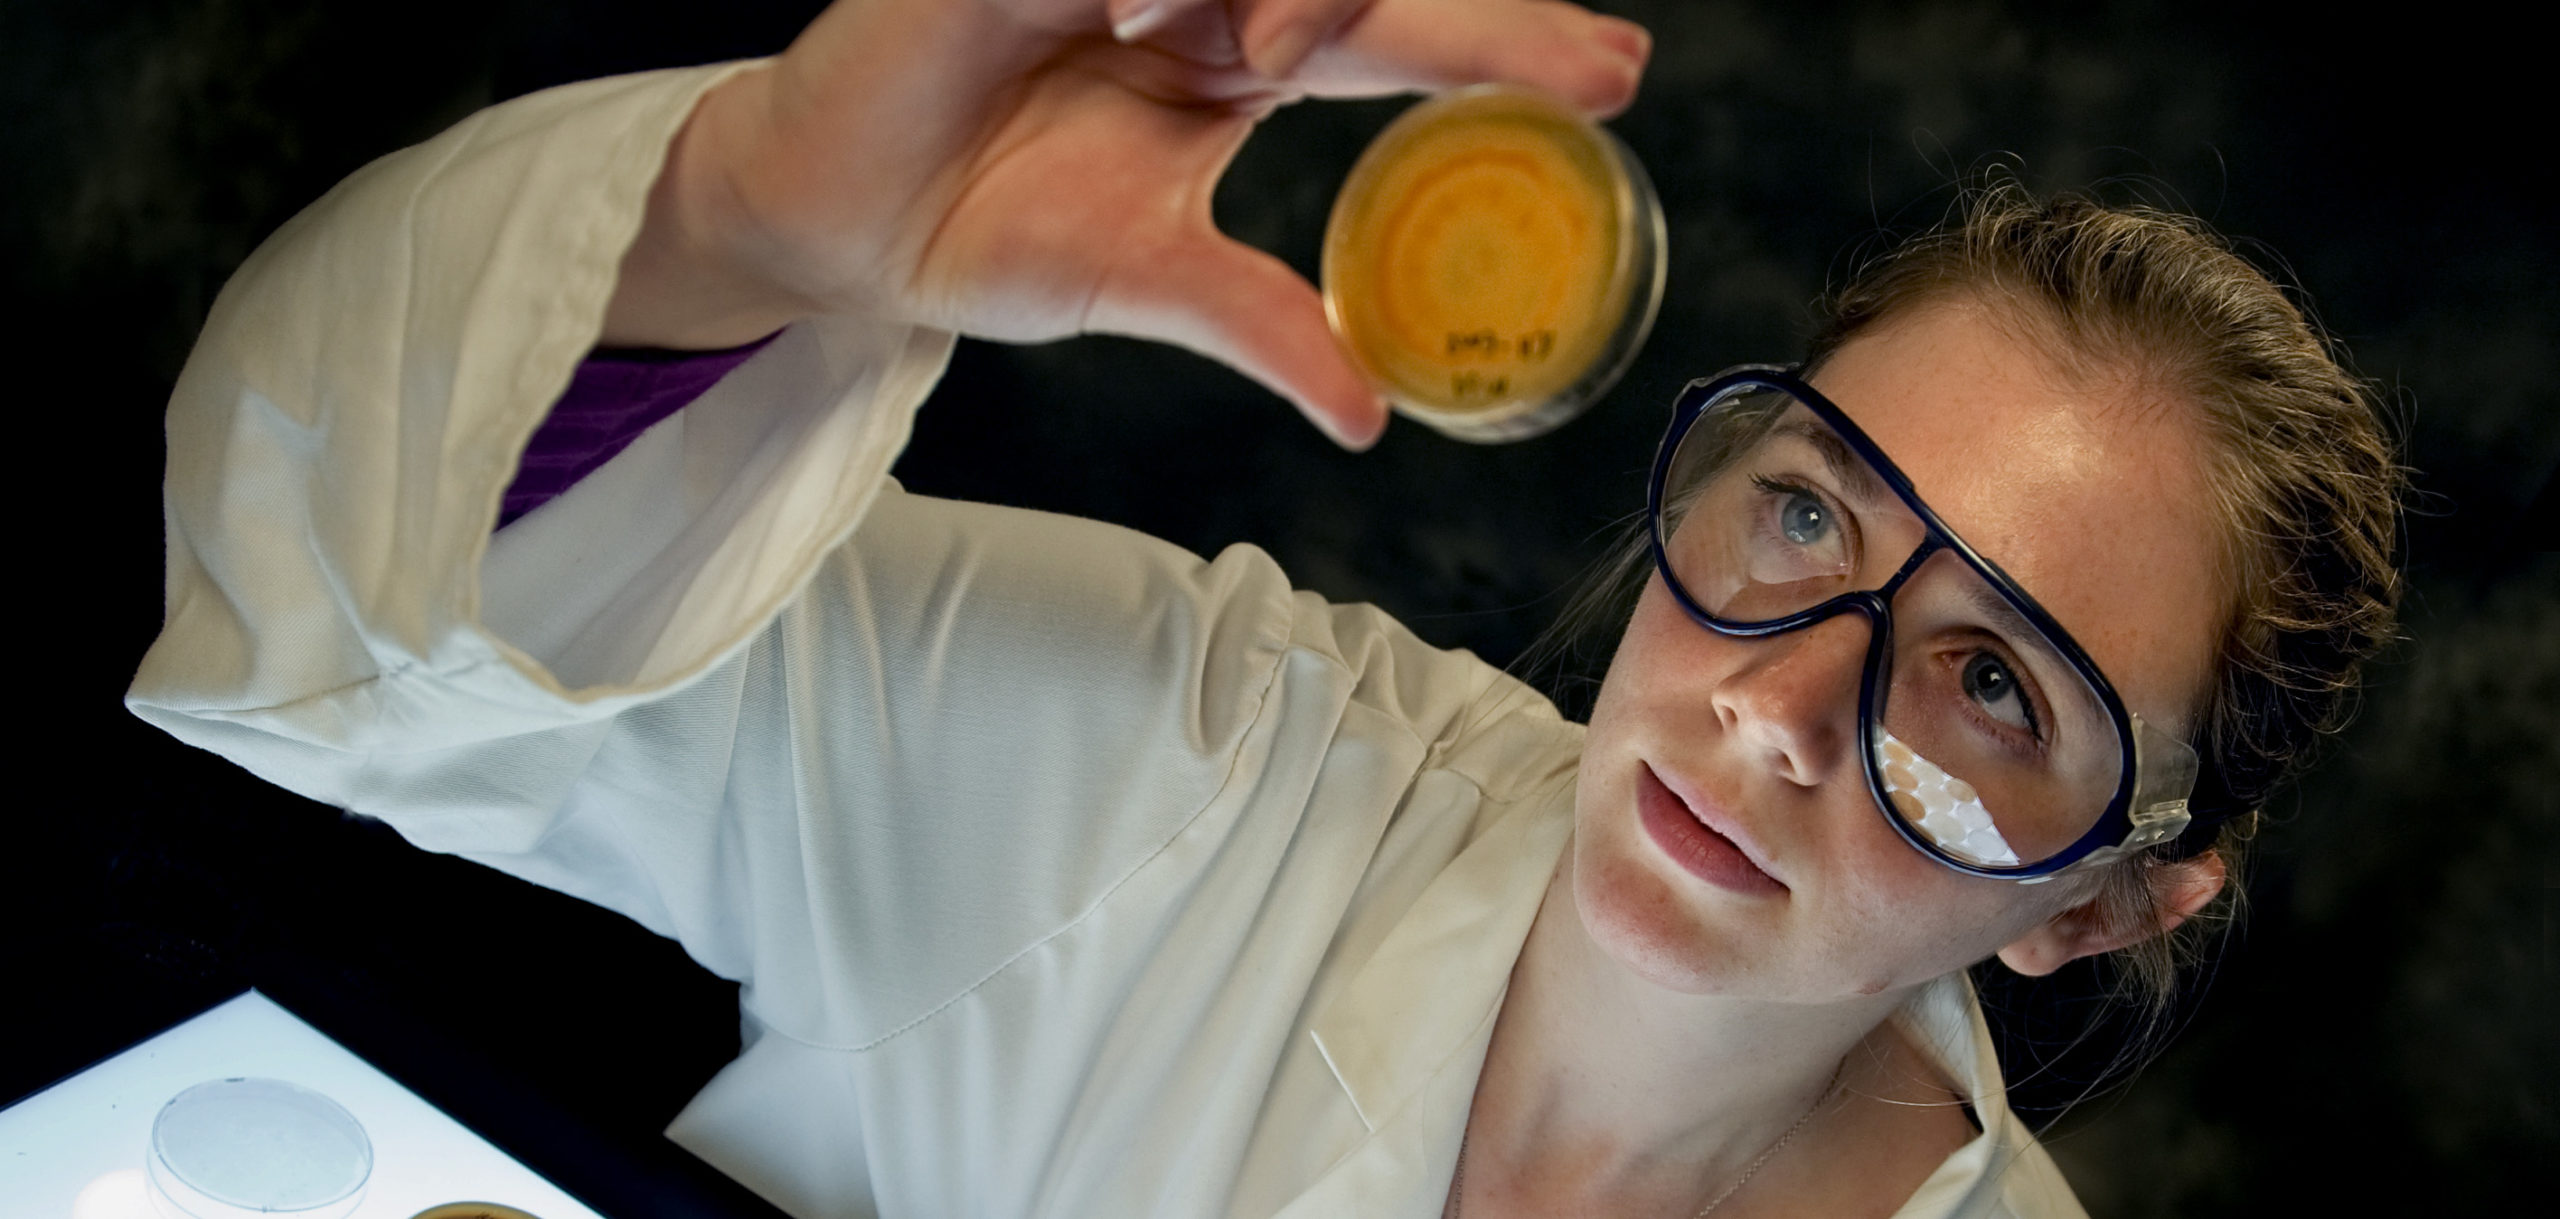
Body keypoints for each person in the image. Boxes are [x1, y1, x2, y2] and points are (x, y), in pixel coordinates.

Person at [125, 1, 2402, 1216]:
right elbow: (371, 629)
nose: (1786, 706)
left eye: (1989, 679)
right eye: (1811, 515)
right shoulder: (1213, 764)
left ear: (2097, 909)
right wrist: (748, 229)